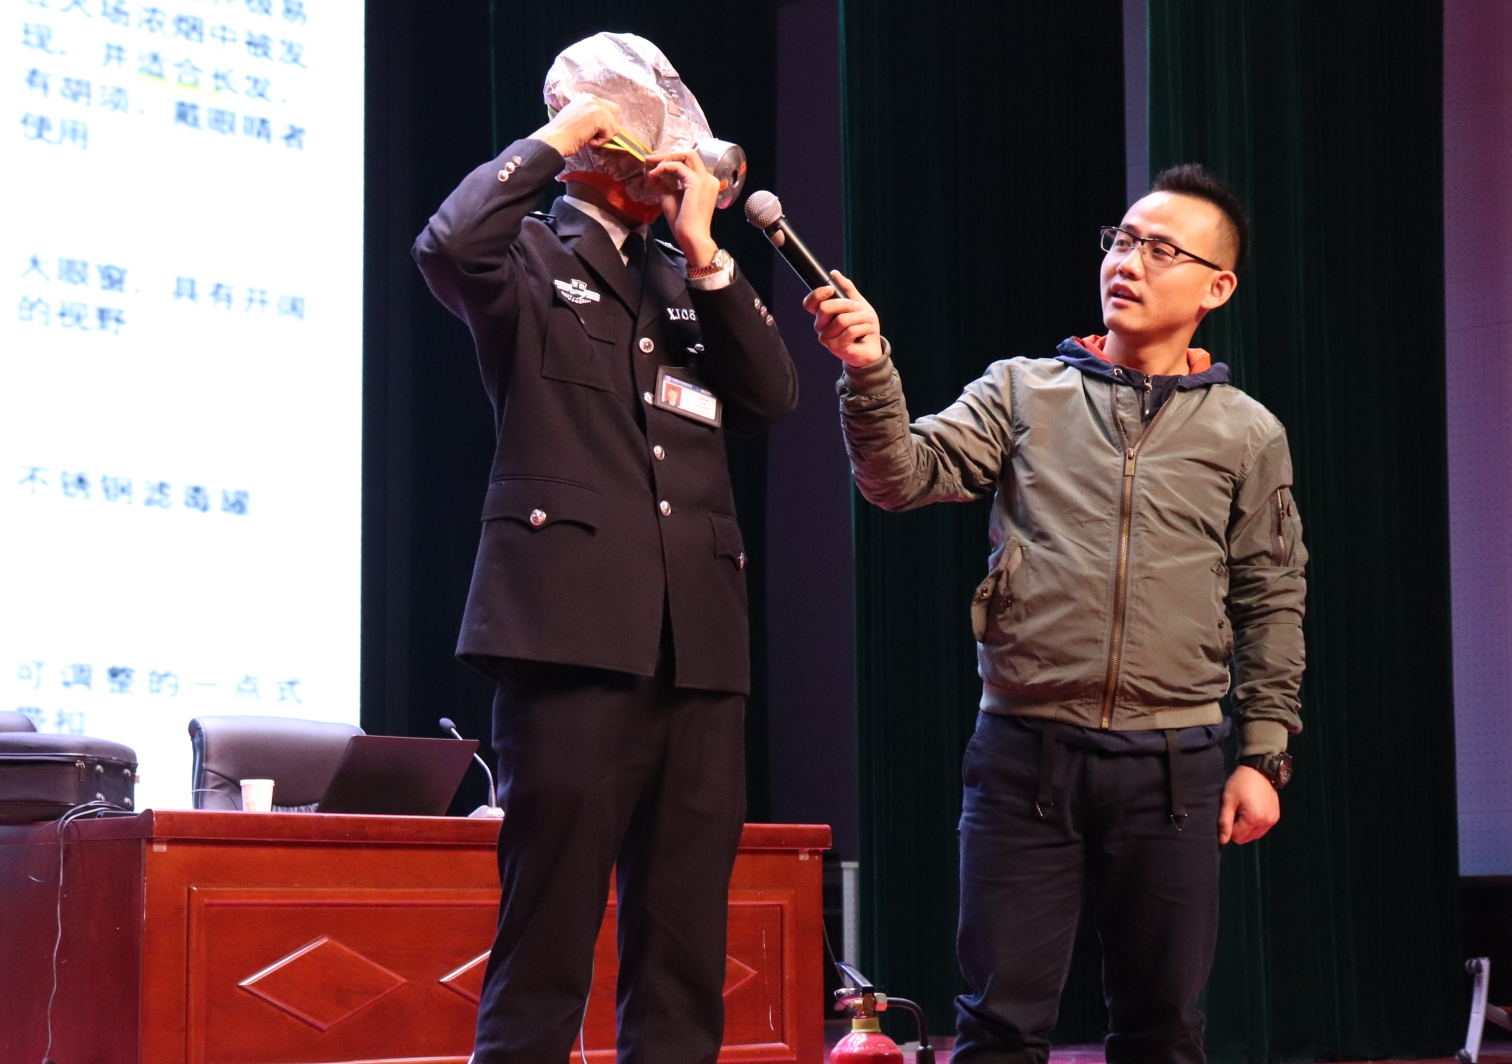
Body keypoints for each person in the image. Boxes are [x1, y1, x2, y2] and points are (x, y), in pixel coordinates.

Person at [805, 165, 1306, 1063]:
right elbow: (900, 477)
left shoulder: (1247, 432)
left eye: (1161, 250)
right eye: (1121, 240)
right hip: (1023, 756)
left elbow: (1271, 596)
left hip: (1175, 769)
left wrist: (1263, 753)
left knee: (1164, 1027)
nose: (1128, 262)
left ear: (1217, 288)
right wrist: (869, 370)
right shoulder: (1022, 391)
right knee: (999, 1025)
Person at [412, 32, 797, 1064]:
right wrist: (562, 133)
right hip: (572, 640)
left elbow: (771, 395)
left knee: (683, 951)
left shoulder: (685, 277)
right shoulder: (532, 258)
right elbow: (447, 246)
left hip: (699, 650)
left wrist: (706, 249)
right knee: (546, 941)